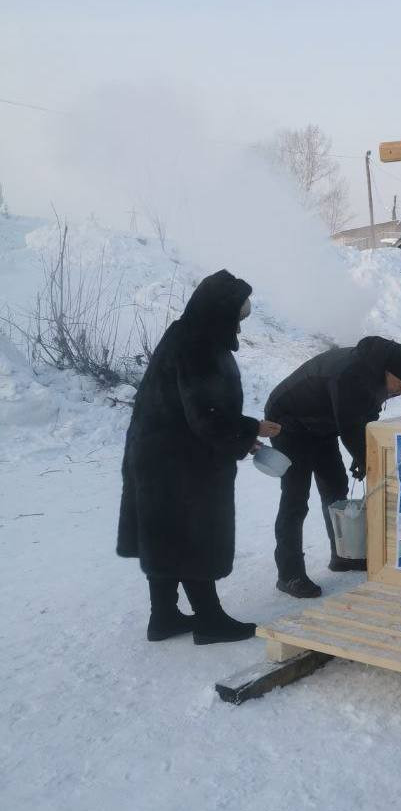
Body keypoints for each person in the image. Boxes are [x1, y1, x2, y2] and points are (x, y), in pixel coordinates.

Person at [117, 269, 281, 644]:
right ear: (220, 313)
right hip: (181, 462)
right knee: (194, 535)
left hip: (158, 454)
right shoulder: (200, 345)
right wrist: (253, 428)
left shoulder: (184, 333)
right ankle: (210, 620)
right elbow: (206, 415)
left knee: (166, 535)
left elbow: (191, 411)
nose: (241, 323)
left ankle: (164, 617)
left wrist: (243, 439)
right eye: (238, 315)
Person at [265, 336, 401, 598]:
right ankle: (289, 573)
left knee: (335, 486)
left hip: (321, 423)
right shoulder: (350, 374)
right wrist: (366, 459)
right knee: (295, 498)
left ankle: (342, 555)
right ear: (388, 371)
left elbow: (366, 415)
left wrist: (363, 454)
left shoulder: (376, 372)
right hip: (288, 423)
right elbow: (349, 425)